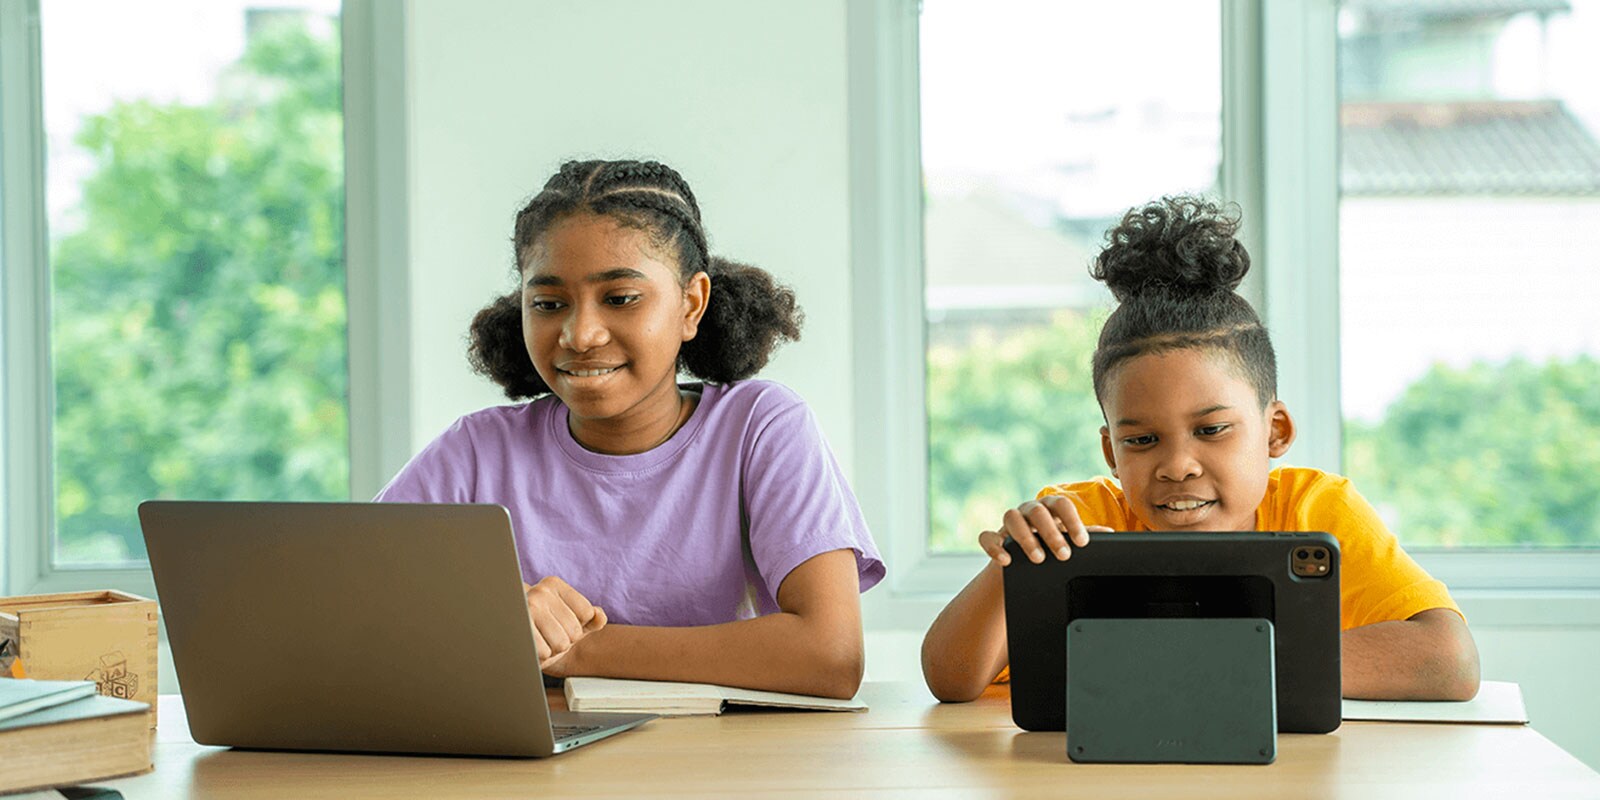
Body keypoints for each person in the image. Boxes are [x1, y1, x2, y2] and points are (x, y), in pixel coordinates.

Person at [920, 195, 1480, 704]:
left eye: (1211, 430)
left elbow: (1448, 662)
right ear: (1112, 455)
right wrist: (1012, 567)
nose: (1177, 466)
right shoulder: (1077, 526)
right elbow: (951, 679)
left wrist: (1195, 663)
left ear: (1276, 432)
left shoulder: (1317, 510)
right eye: (1140, 440)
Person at [378, 159, 883, 699]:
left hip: (717, 763)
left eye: (620, 298)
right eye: (548, 304)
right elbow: (343, 598)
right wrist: (483, 613)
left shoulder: (760, 427)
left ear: (691, 304)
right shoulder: (477, 451)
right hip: (535, 771)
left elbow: (830, 655)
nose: (581, 334)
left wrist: (574, 650)